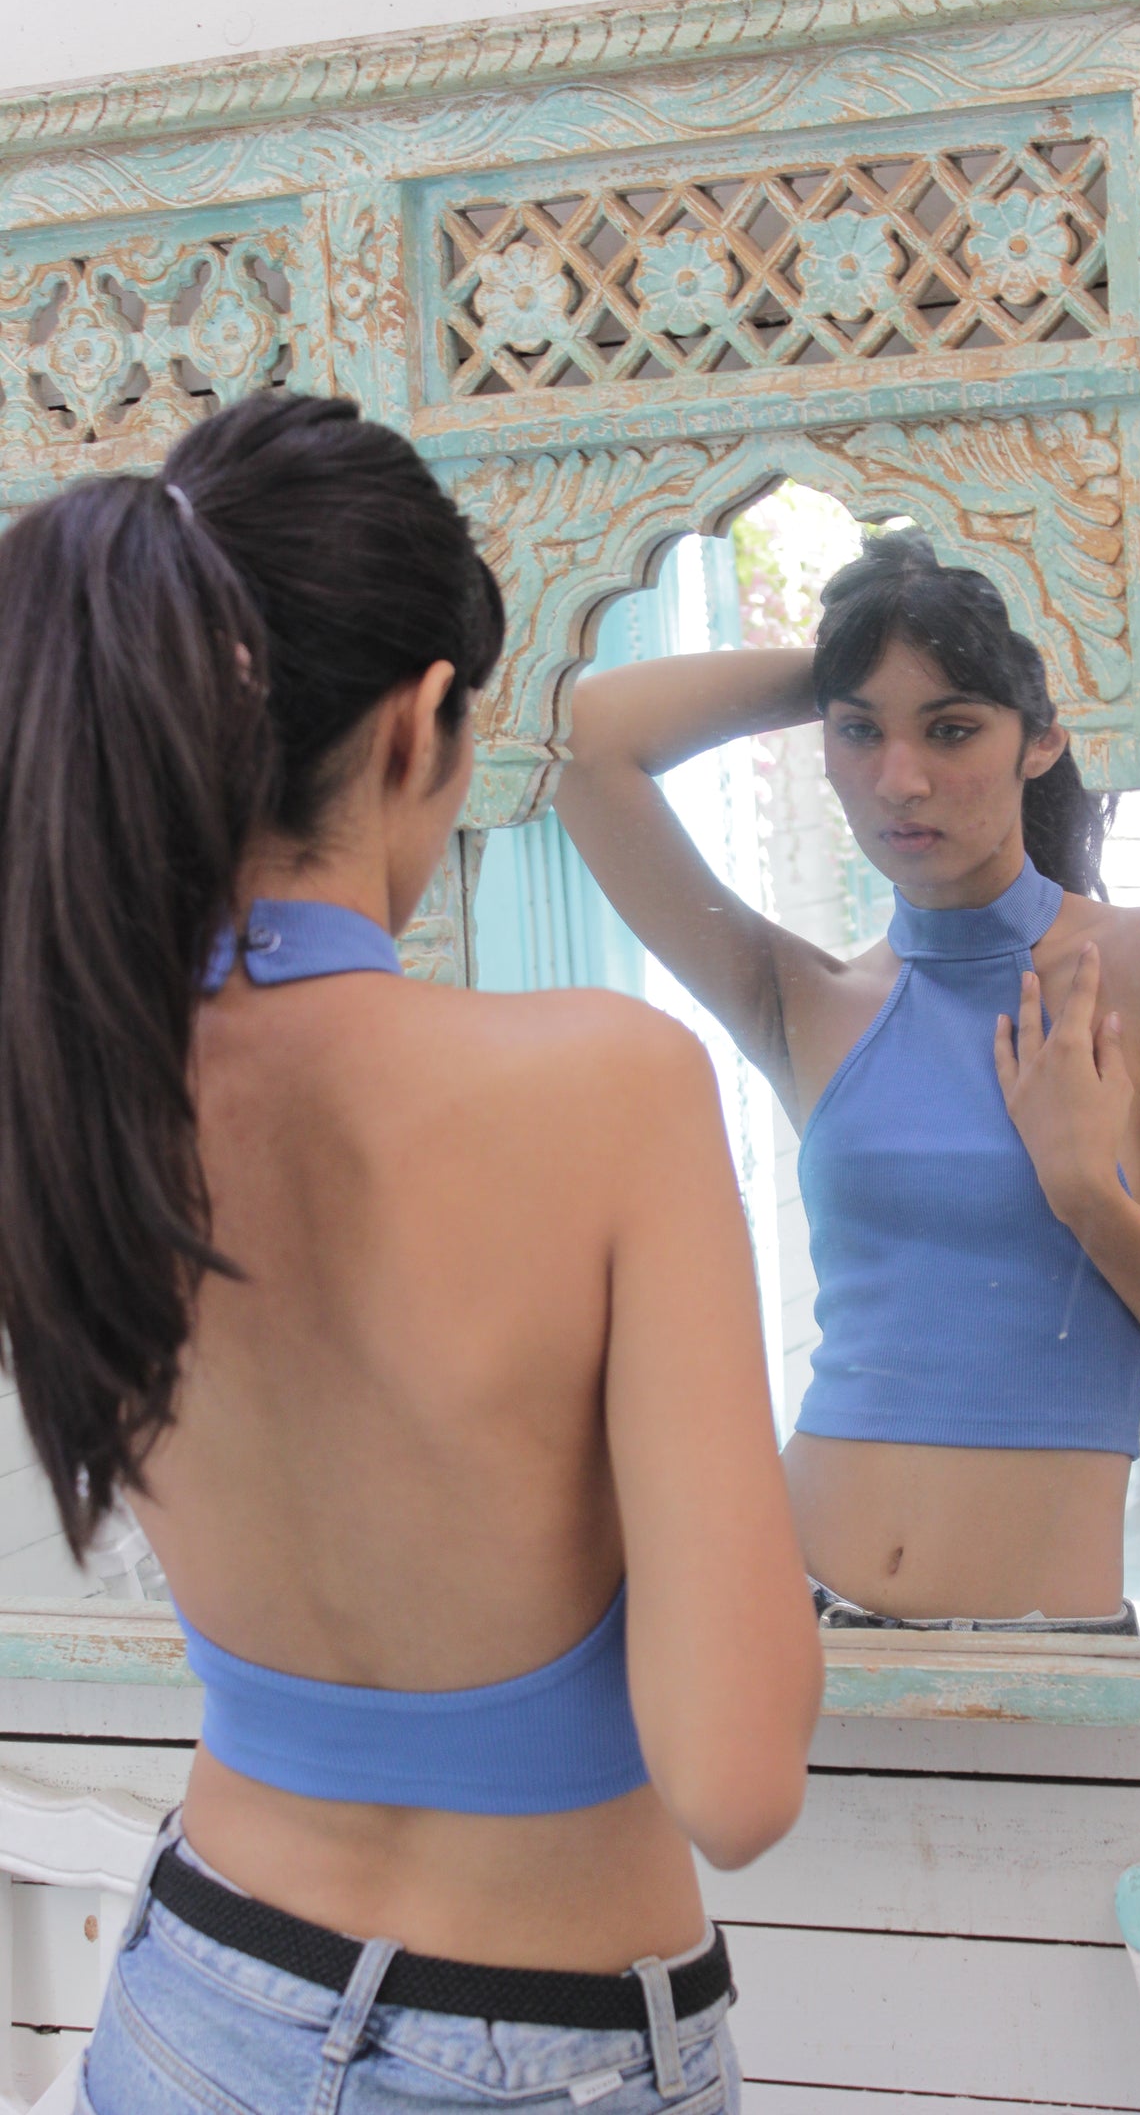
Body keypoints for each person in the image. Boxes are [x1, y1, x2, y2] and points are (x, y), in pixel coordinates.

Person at [0, 393, 821, 2113]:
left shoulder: (67, 1082)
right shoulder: (607, 1087)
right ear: (422, 722)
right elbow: (735, 1778)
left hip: (188, 2009)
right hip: (526, 2048)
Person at [556, 528, 1140, 1634]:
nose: (900, 777)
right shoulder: (805, 994)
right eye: (859, 732)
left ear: (1041, 734)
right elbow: (584, 745)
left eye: (952, 726)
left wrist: (1086, 1191)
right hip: (784, 1632)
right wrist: (857, 646)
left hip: (1045, 1667)